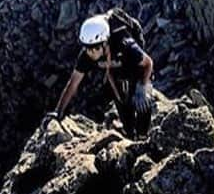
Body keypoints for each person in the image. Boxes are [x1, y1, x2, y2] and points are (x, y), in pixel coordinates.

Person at [53, 8, 154, 138]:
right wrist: (58, 111)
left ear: (105, 42)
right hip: (113, 64)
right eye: (88, 48)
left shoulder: (124, 43)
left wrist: (142, 86)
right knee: (120, 98)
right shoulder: (87, 55)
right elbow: (73, 83)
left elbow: (148, 63)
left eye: (96, 48)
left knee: (140, 98)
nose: (92, 53)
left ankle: (142, 135)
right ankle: (129, 132)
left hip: (129, 61)